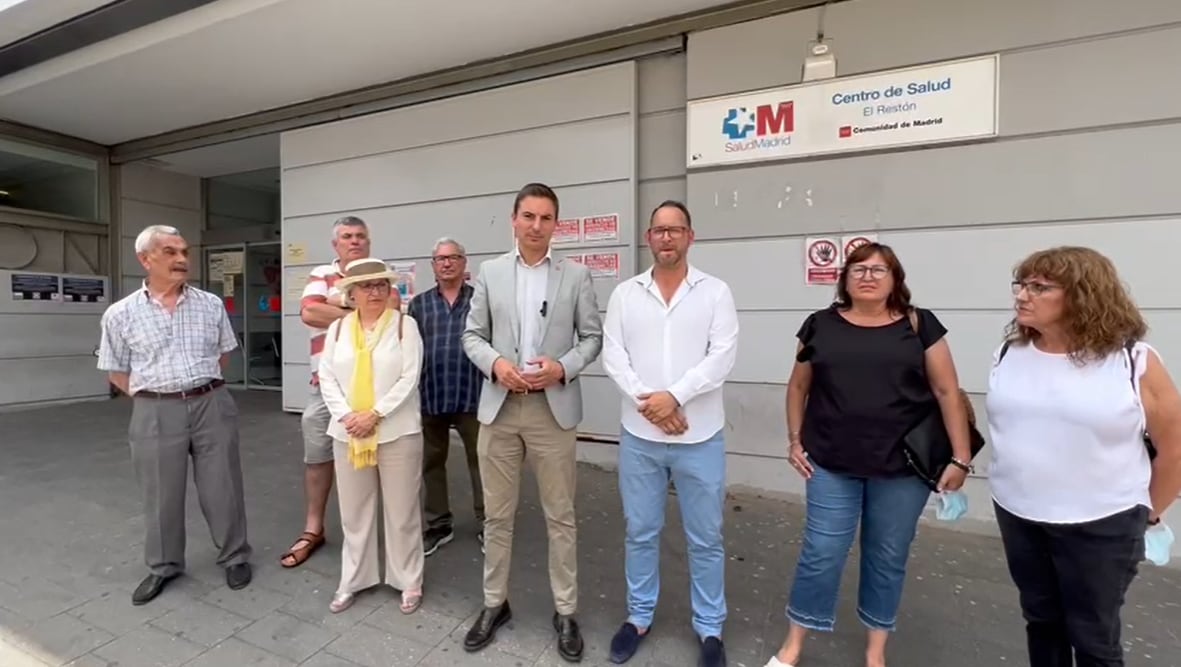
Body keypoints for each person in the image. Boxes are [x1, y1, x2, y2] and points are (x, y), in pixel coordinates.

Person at [764, 242, 972, 667]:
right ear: (845, 278)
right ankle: (794, 645)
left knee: (887, 555)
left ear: (896, 279)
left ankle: (875, 652)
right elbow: (798, 386)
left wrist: (961, 457)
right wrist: (794, 439)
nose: (868, 276)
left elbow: (947, 390)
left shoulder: (920, 325)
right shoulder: (819, 325)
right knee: (821, 552)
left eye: (879, 270)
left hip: (903, 469)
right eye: (858, 268)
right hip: (830, 462)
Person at [987, 246, 1181, 667]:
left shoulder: (1133, 361)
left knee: (1093, 636)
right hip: (1019, 514)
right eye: (1020, 284)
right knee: (1041, 622)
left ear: (1082, 294)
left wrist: (1147, 513)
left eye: (1039, 287)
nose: (1022, 295)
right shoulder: (1009, 354)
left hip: (1102, 522)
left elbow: (1175, 448)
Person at [461, 182, 603, 662]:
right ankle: (493, 604)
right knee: (498, 516)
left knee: (560, 516)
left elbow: (592, 338)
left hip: (552, 410)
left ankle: (566, 611)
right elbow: (473, 335)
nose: (536, 226)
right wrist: (497, 365)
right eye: (528, 217)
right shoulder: (490, 272)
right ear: (514, 219)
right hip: (500, 408)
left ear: (555, 224)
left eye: (545, 218)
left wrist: (562, 367)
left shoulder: (577, 275)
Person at [601, 201, 739, 667]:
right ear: (648, 237)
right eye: (659, 230)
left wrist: (674, 397)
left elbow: (721, 357)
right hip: (640, 437)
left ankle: (710, 628)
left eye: (675, 230)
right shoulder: (625, 294)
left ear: (689, 236)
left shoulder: (715, 292)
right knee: (641, 531)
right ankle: (638, 617)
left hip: (700, 438)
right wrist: (653, 404)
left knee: (706, 537)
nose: (666, 238)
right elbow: (614, 357)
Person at [97, 224, 252, 606]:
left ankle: (234, 555)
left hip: (210, 402)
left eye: (184, 251)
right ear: (145, 259)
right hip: (154, 409)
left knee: (223, 485)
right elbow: (114, 368)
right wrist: (149, 396)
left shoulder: (210, 304)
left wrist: (197, 388)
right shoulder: (120, 314)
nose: (182, 259)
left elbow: (222, 354)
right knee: (160, 492)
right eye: (170, 252)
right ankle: (164, 566)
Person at [282, 216, 400, 568]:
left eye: (360, 236)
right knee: (318, 458)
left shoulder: (382, 271)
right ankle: (313, 529)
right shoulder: (321, 274)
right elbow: (310, 312)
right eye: (347, 236)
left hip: (376, 392)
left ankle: (383, 534)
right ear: (336, 244)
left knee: (382, 461)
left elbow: (392, 309)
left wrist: (345, 305)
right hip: (327, 389)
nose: (354, 241)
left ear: (369, 241)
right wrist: (359, 310)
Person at [317, 257, 426, 615]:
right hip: (348, 432)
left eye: (382, 285)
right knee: (354, 512)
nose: (375, 292)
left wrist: (374, 414)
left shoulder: (404, 327)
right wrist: (349, 416)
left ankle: (408, 578)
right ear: (351, 293)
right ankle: (354, 579)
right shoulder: (336, 331)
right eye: (367, 286)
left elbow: (409, 378)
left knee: (402, 511)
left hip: (397, 432)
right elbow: (327, 377)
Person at [408, 237, 485, 556]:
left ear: (464, 263)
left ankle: (488, 524)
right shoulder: (419, 304)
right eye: (441, 259)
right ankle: (438, 524)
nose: (447, 263)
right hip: (432, 392)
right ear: (433, 266)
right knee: (431, 461)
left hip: (474, 392)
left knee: (482, 460)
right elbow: (411, 348)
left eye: (454, 257)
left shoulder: (481, 300)